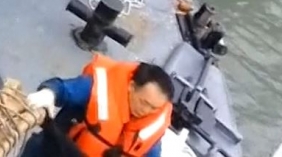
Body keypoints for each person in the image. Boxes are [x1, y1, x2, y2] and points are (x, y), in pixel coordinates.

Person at [23, 56, 175, 157]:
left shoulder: (153, 126)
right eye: (144, 102)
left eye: (154, 108)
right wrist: (49, 93)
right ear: (131, 86)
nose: (146, 111)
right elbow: (66, 89)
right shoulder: (101, 87)